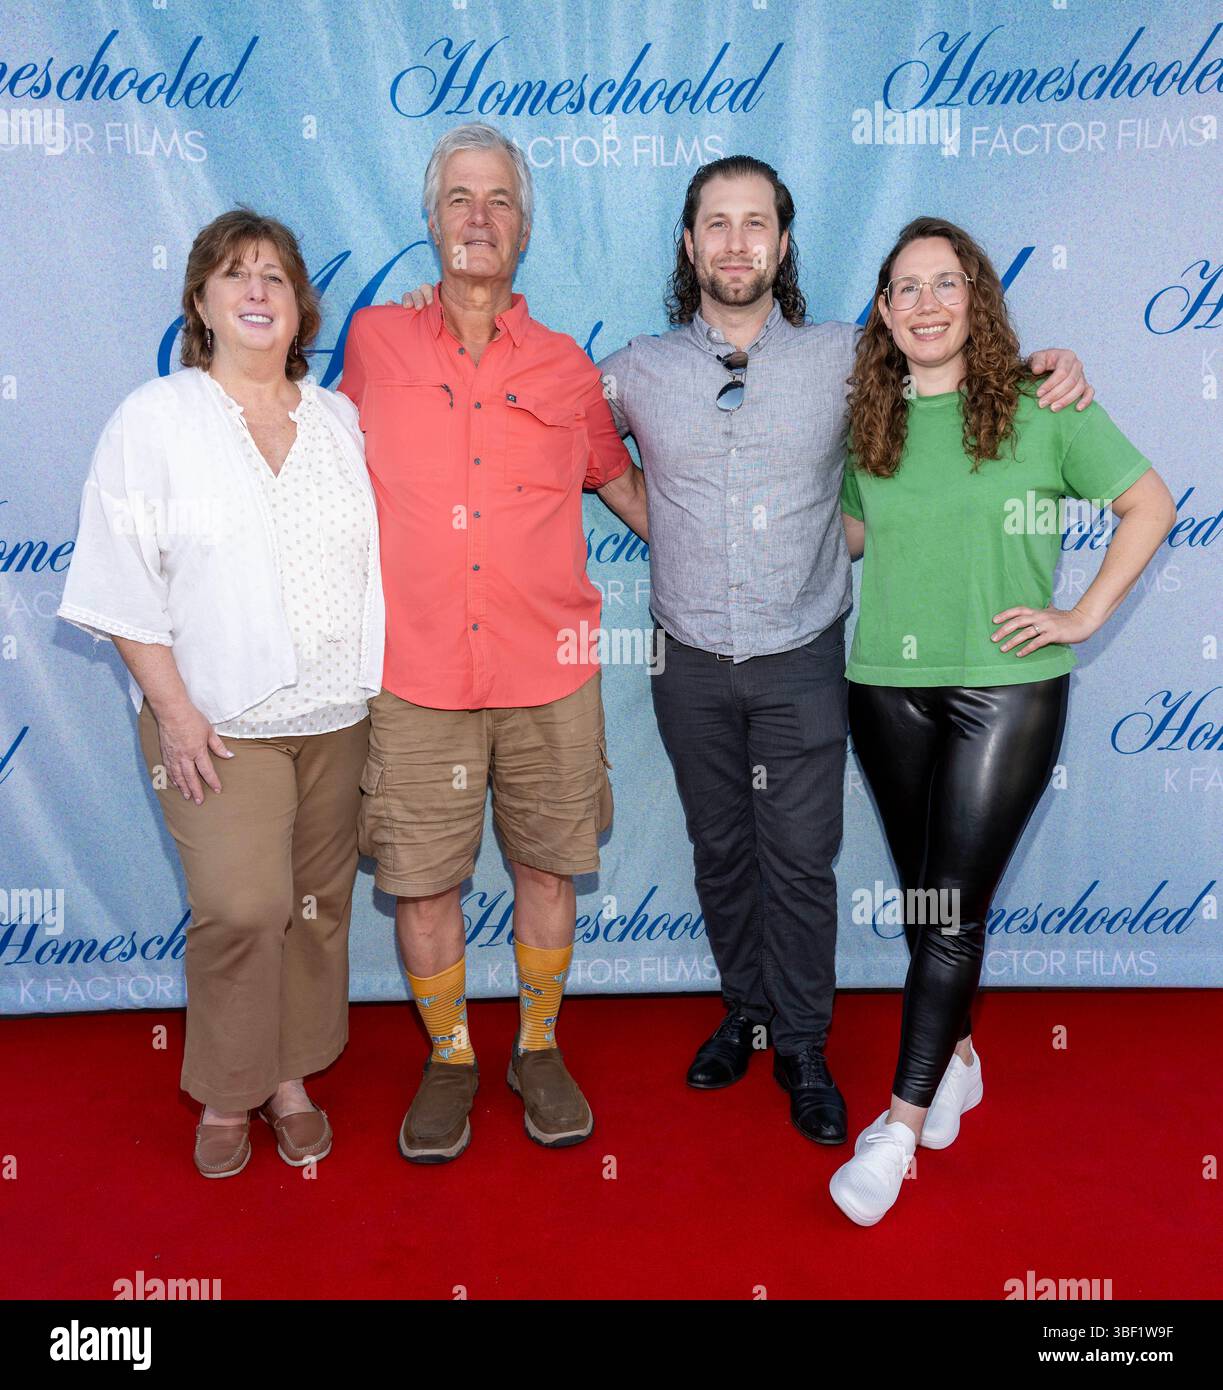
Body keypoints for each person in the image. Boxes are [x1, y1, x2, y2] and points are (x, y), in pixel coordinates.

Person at [594, 157, 1090, 1146]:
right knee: (720, 849)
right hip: (687, 659)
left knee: (799, 859)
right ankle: (745, 1011)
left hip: (804, 653)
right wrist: (667, 526)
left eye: (755, 224)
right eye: (715, 225)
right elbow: (575, 450)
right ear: (689, 245)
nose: (735, 243)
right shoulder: (634, 369)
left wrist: (1047, 365)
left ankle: (804, 1048)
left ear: (780, 246)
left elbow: (948, 354)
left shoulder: (845, 355)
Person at [828, 215, 1176, 1224]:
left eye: (945, 284)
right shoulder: (871, 423)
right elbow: (848, 536)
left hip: (1006, 691)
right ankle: (960, 1059)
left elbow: (1148, 504)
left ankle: (894, 1131)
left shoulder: (1042, 403)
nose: (925, 304)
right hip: (882, 688)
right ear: (883, 315)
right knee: (925, 902)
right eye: (905, 288)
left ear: (975, 299)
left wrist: (1080, 614)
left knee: (947, 911)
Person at [338, 122, 648, 1163]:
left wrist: (754, 545)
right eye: (459, 198)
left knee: (549, 868)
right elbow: (301, 457)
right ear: (430, 220)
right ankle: (452, 1055)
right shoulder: (374, 342)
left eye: (499, 200)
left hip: (547, 672)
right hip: (415, 671)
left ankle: (539, 1043)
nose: (479, 216)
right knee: (424, 879)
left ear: (523, 228)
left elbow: (630, 490)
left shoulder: (567, 367)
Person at [58, 209, 385, 1178]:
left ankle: (288, 1078)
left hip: (337, 717)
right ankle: (225, 1088)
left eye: (275, 277)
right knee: (244, 906)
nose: (255, 290)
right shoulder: (156, 418)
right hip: (213, 724)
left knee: (316, 908)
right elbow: (118, 580)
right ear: (199, 301)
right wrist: (175, 711)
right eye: (234, 274)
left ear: (299, 309)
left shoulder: (338, 420)